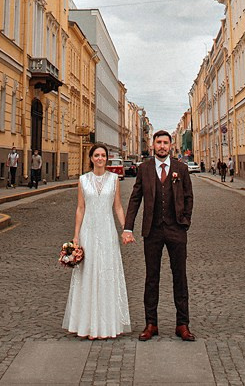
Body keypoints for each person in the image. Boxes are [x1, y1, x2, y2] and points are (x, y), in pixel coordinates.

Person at [122, 129, 195, 341]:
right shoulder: (144, 169)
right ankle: (150, 323)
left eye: (165, 143)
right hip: (152, 231)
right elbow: (135, 199)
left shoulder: (180, 168)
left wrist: (185, 221)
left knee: (179, 276)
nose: (162, 146)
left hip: (176, 229)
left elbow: (189, 196)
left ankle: (182, 324)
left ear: (170, 146)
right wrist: (128, 227)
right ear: (153, 145)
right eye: (158, 142)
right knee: (151, 278)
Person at [63, 143, 131, 340]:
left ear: (106, 158)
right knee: (88, 274)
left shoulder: (114, 179)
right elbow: (80, 208)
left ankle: (107, 325)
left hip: (108, 231)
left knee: (107, 274)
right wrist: (76, 236)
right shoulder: (83, 180)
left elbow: (117, 207)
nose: (100, 158)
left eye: (103, 155)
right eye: (96, 155)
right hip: (89, 232)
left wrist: (126, 229)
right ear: (91, 158)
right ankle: (86, 325)